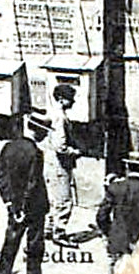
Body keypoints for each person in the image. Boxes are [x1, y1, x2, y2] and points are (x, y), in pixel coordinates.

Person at [0, 113, 50, 274]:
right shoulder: (36, 152)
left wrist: (10, 203)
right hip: (34, 207)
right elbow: (32, 184)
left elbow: (0, 178)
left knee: (10, 243)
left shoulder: (8, 147)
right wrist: (23, 207)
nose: (46, 135)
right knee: (34, 244)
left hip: (13, 206)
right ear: (39, 132)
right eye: (45, 132)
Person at [45, 83, 83, 242]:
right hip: (60, 166)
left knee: (54, 199)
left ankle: (48, 229)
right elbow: (60, 146)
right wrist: (74, 152)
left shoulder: (53, 113)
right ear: (61, 99)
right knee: (64, 201)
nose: (73, 102)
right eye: (70, 99)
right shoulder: (60, 117)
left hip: (51, 163)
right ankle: (59, 233)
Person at [97, 156, 139, 268]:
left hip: (118, 240)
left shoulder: (115, 187)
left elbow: (101, 216)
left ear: (128, 168)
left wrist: (109, 232)